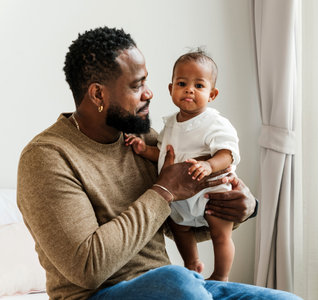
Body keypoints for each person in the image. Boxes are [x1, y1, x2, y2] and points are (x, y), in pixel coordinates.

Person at [17, 27, 301, 300]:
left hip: (173, 290)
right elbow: (87, 268)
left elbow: (175, 220)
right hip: (101, 294)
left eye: (146, 81)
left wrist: (243, 208)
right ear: (98, 94)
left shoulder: (141, 139)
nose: (150, 93)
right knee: (179, 281)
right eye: (136, 85)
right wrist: (164, 190)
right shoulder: (47, 158)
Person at [125, 50, 239, 281]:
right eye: (182, 83)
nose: (189, 90)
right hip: (180, 198)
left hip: (211, 192)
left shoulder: (214, 123)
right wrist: (143, 150)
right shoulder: (169, 125)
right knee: (179, 228)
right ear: (171, 89)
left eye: (199, 85)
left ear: (212, 94)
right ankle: (192, 263)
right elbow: (165, 155)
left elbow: (227, 153)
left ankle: (220, 275)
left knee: (221, 235)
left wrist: (209, 165)